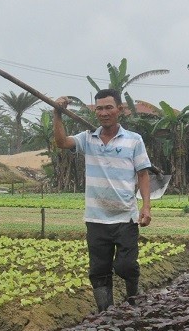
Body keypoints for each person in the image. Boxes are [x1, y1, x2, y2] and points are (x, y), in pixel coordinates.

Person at [52, 89, 152, 312]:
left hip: (125, 215)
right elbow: (61, 142)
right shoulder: (88, 138)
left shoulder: (134, 140)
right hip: (96, 218)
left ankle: (133, 300)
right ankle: (105, 314)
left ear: (120, 110)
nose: (104, 112)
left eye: (109, 107)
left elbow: (143, 174)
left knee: (126, 266)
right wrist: (57, 114)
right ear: (95, 111)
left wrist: (146, 206)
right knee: (99, 269)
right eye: (99, 108)